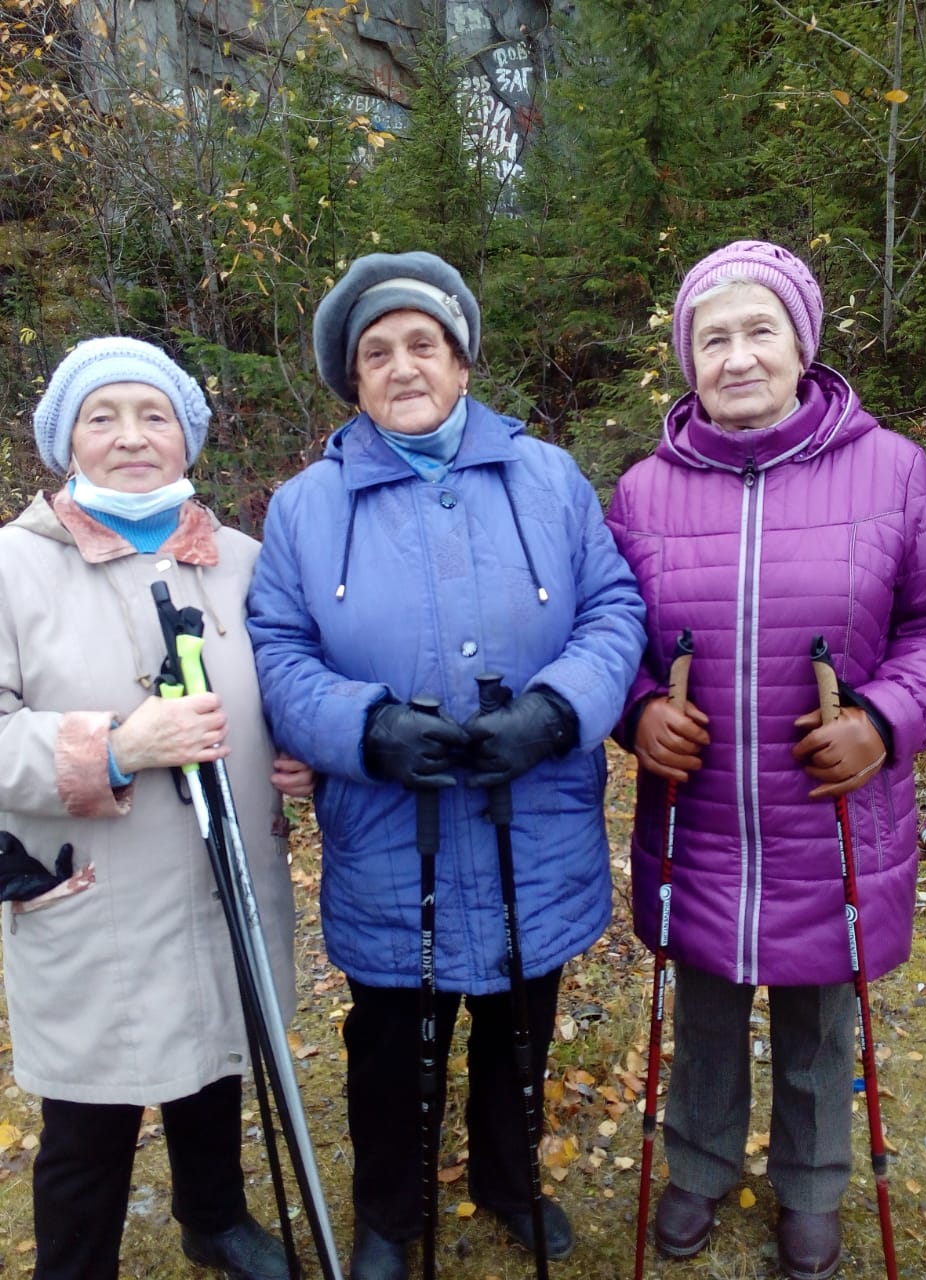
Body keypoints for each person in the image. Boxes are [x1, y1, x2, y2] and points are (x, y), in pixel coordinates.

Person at [246, 251, 647, 1280]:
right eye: (377, 352)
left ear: (462, 363)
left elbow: (613, 609)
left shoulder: (549, 478)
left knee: (521, 1023)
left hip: (533, 821)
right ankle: (392, 1210)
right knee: (390, 1036)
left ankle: (510, 1181)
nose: (403, 365)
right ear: (353, 381)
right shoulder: (304, 507)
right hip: (390, 831)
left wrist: (559, 710)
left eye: (423, 344)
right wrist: (362, 729)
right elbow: (278, 649)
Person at [606, 240, 926, 1279]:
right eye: (713, 337)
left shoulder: (891, 469)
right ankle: (700, 1164)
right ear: (687, 359)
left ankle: (811, 1185)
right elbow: (608, 635)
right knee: (707, 1002)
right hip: (702, 811)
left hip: (834, 809)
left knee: (819, 1013)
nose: (738, 355)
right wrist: (636, 713)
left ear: (802, 344)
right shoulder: (643, 491)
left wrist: (884, 721)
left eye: (760, 329)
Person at [0, 337, 315, 1280]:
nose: (131, 437)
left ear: (188, 437)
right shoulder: (12, 567)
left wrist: (301, 752)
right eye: (102, 418)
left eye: (154, 416)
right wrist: (115, 747)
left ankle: (212, 1218)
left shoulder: (247, 562)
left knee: (215, 1054)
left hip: (227, 878)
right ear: (67, 440)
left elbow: (288, 682)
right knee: (89, 1112)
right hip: (93, 887)